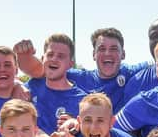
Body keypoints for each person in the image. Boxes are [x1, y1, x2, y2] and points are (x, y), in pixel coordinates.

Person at [16, 28, 148, 112]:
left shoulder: (131, 72)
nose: (107, 53)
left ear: (123, 54)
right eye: (102, 49)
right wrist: (17, 84)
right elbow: (41, 70)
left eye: (114, 49)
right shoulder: (78, 77)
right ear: (93, 55)